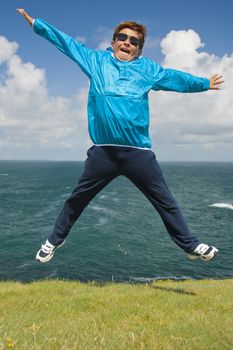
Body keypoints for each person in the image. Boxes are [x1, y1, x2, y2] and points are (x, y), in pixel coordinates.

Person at [17, 8, 224, 264]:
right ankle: (54, 241)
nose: (127, 42)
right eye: (122, 38)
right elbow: (66, 43)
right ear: (113, 42)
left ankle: (191, 246)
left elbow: (174, 78)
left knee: (166, 203)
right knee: (77, 199)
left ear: (139, 49)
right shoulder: (95, 61)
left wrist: (204, 83)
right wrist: (37, 24)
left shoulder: (147, 70)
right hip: (103, 152)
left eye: (134, 41)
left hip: (138, 154)